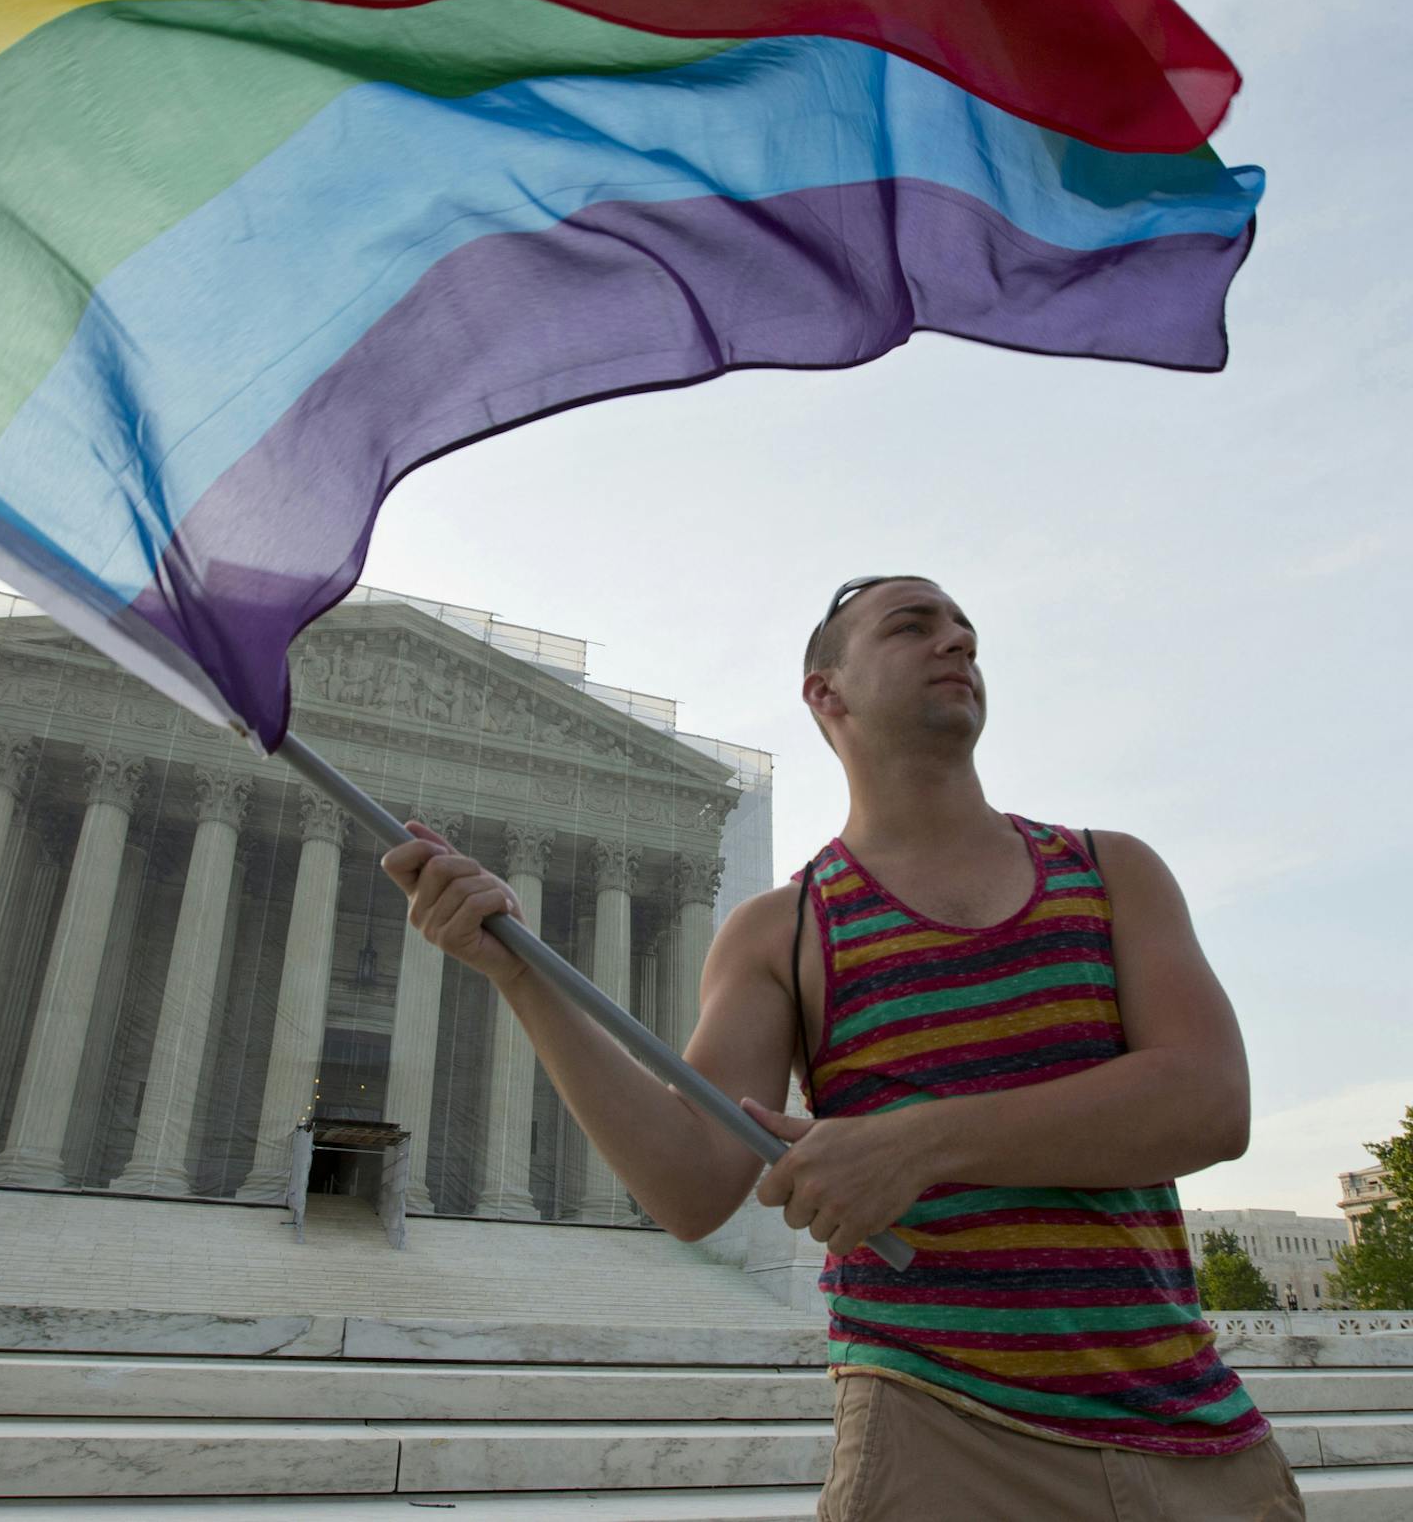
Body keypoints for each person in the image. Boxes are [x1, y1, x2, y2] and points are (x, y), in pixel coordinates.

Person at [380, 577, 1304, 1520]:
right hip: (937, 1434)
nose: (957, 645)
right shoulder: (780, 931)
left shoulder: (1113, 871)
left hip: (1197, 1437)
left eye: (967, 634)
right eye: (914, 626)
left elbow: (1207, 1101)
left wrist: (916, 1144)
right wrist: (522, 975)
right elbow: (693, 1185)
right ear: (827, 692)